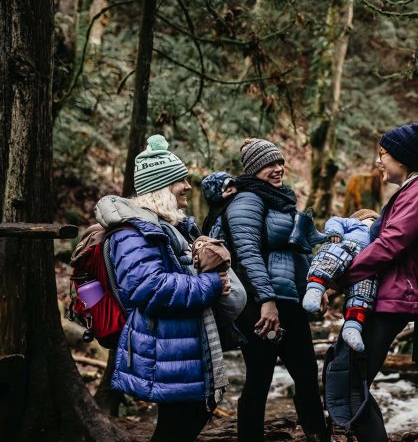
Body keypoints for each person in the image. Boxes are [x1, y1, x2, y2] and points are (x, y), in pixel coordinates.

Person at [96, 135, 245, 442]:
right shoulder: (133, 233)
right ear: (161, 187)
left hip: (178, 344)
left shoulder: (169, 226)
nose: (188, 188)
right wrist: (211, 283)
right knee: (180, 422)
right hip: (164, 346)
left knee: (188, 417)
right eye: (181, 181)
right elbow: (149, 288)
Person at [337, 121, 418, 441]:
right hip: (390, 294)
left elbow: (391, 242)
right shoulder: (416, 188)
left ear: (402, 158)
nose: (378, 161)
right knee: (351, 381)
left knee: (351, 384)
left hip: (395, 297)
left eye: (383, 154)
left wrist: (342, 275)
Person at [224, 138, 328, 442]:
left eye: (280, 162)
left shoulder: (279, 199)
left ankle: (318, 435)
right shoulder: (247, 201)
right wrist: (267, 301)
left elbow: (300, 248)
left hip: (290, 303)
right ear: (255, 168)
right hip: (261, 307)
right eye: (271, 163)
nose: (278, 168)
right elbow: (248, 253)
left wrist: (316, 286)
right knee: (259, 379)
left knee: (307, 376)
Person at [301, 209, 380, 352]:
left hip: (366, 263)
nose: (373, 223)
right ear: (361, 219)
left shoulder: (378, 235)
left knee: (365, 292)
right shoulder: (353, 223)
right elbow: (334, 220)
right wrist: (335, 232)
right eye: (371, 219)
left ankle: (353, 327)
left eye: (376, 221)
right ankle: (314, 289)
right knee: (330, 259)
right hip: (347, 246)